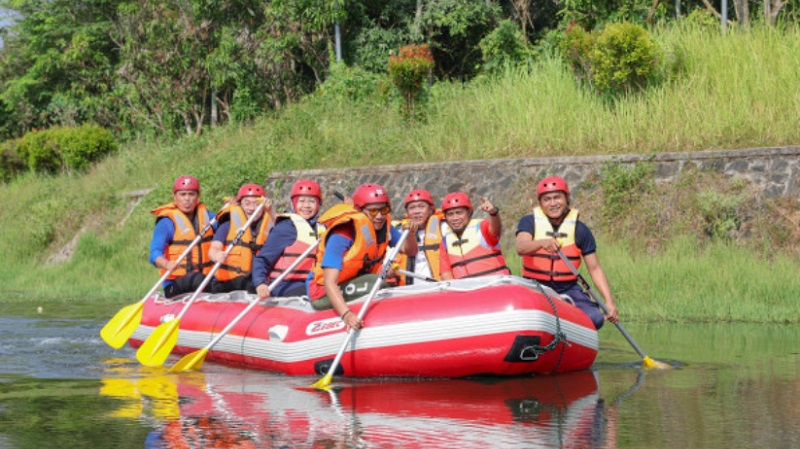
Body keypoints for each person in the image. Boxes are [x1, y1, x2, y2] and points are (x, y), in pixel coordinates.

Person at [307, 183, 418, 331]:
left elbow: (410, 251)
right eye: (372, 211)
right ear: (359, 211)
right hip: (322, 292)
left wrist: (409, 234)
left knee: (382, 281)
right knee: (377, 283)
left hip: (352, 282)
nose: (379, 216)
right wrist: (347, 315)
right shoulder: (342, 234)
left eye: (383, 210)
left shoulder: (385, 225)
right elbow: (329, 282)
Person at [515, 176, 619, 329]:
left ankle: (571, 330)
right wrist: (542, 243)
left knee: (596, 318)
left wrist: (609, 302)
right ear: (540, 203)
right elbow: (521, 247)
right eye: (547, 199)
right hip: (535, 285)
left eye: (557, 197)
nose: (553, 203)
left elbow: (595, 268)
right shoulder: (529, 222)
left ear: (567, 198)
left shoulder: (580, 230)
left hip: (568, 288)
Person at [252, 180, 324, 298]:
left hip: (311, 283)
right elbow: (263, 259)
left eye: (312, 201)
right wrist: (260, 283)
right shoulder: (286, 227)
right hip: (285, 286)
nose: (306, 205)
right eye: (301, 201)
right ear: (294, 203)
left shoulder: (322, 227)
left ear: (318, 205)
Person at [149, 175, 216, 298]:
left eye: (191, 194)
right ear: (175, 196)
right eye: (183, 194)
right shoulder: (167, 222)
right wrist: (166, 264)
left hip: (206, 280)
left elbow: (230, 229)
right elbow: (154, 254)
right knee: (199, 279)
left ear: (198, 196)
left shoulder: (208, 217)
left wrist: (232, 211)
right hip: (175, 285)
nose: (187, 199)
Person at [207, 183, 272, 294]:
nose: (252, 208)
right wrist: (216, 255)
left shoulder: (270, 224)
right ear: (240, 205)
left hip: (254, 282)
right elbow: (214, 249)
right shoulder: (228, 224)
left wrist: (271, 210)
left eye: (257, 204)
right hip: (227, 283)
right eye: (247, 204)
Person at [438, 191, 510, 280]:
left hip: (493, 286)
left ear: (469, 212)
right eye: (450, 214)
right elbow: (446, 272)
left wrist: (493, 213)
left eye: (459, 213)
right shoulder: (445, 241)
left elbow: (495, 230)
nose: (455, 218)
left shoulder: (482, 227)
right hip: (466, 290)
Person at [392, 189, 444, 285]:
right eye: (412, 208)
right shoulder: (398, 232)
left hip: (437, 287)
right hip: (408, 291)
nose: (417, 212)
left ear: (430, 210)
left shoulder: (443, 228)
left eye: (421, 207)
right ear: (407, 212)